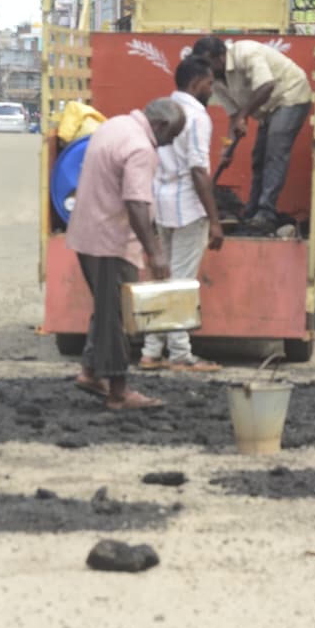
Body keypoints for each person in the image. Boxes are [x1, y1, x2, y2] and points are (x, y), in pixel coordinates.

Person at [67, 98, 184, 410]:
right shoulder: (141, 147)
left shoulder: (114, 124)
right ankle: (119, 392)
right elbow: (135, 202)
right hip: (111, 241)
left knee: (106, 309)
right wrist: (155, 252)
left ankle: (92, 371)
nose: (167, 145)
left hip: (87, 232)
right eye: (170, 137)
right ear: (160, 126)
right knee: (118, 316)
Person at [138, 55, 224, 373]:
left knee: (163, 279)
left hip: (160, 203)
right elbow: (199, 170)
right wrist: (214, 220)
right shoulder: (198, 117)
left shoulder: (162, 107)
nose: (211, 89)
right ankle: (180, 353)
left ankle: (150, 350)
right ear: (196, 83)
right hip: (187, 207)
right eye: (210, 83)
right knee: (181, 283)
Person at [192, 35, 312, 235]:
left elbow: (267, 86)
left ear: (220, 56)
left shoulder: (246, 53)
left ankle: (265, 213)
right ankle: (253, 210)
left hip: (291, 95)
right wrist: (227, 147)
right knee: (258, 157)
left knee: (275, 152)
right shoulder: (216, 82)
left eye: (208, 63)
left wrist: (244, 114)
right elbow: (233, 116)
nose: (207, 69)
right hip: (268, 109)